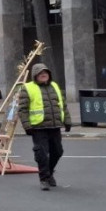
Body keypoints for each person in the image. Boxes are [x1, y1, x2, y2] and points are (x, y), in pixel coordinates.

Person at [18, 62, 71, 191]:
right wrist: (26, 126)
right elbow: (23, 109)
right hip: (38, 127)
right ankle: (44, 179)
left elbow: (63, 105)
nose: (43, 74)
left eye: (45, 72)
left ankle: (49, 172)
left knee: (58, 151)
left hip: (54, 126)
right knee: (42, 154)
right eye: (40, 73)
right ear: (35, 75)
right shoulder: (28, 88)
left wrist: (67, 121)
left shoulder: (55, 86)